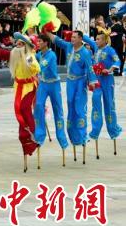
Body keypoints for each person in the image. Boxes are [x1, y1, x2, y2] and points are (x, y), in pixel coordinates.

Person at [0, 33, 41, 170]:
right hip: (19, 87)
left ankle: (31, 133)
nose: (17, 46)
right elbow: (2, 53)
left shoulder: (29, 55)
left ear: (26, 46)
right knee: (20, 111)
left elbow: (36, 68)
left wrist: (29, 61)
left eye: (20, 44)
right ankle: (25, 136)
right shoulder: (14, 54)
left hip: (29, 86)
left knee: (24, 108)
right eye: (16, 43)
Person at [46, 30, 98, 161]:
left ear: (80, 39)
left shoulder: (85, 53)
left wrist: (92, 82)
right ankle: (73, 136)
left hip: (80, 82)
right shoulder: (69, 46)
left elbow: (90, 68)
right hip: (70, 81)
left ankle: (83, 135)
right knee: (70, 105)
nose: (72, 39)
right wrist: (47, 32)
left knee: (79, 108)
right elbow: (58, 41)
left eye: (74, 37)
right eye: (72, 37)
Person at [31, 34, 69, 159]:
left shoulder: (51, 55)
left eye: (40, 41)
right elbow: (31, 61)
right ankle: (39, 135)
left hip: (54, 85)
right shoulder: (39, 55)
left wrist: (32, 63)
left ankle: (61, 137)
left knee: (58, 109)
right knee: (38, 105)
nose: (38, 43)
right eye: (37, 41)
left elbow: (41, 66)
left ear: (46, 43)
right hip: (43, 84)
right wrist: (28, 55)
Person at [83, 30, 122, 149]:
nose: (96, 41)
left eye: (98, 39)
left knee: (109, 105)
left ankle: (113, 130)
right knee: (95, 102)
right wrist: (79, 34)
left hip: (108, 81)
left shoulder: (110, 50)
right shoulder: (96, 47)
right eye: (96, 39)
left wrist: (110, 69)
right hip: (97, 81)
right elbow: (87, 39)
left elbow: (117, 60)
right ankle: (95, 131)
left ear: (105, 40)